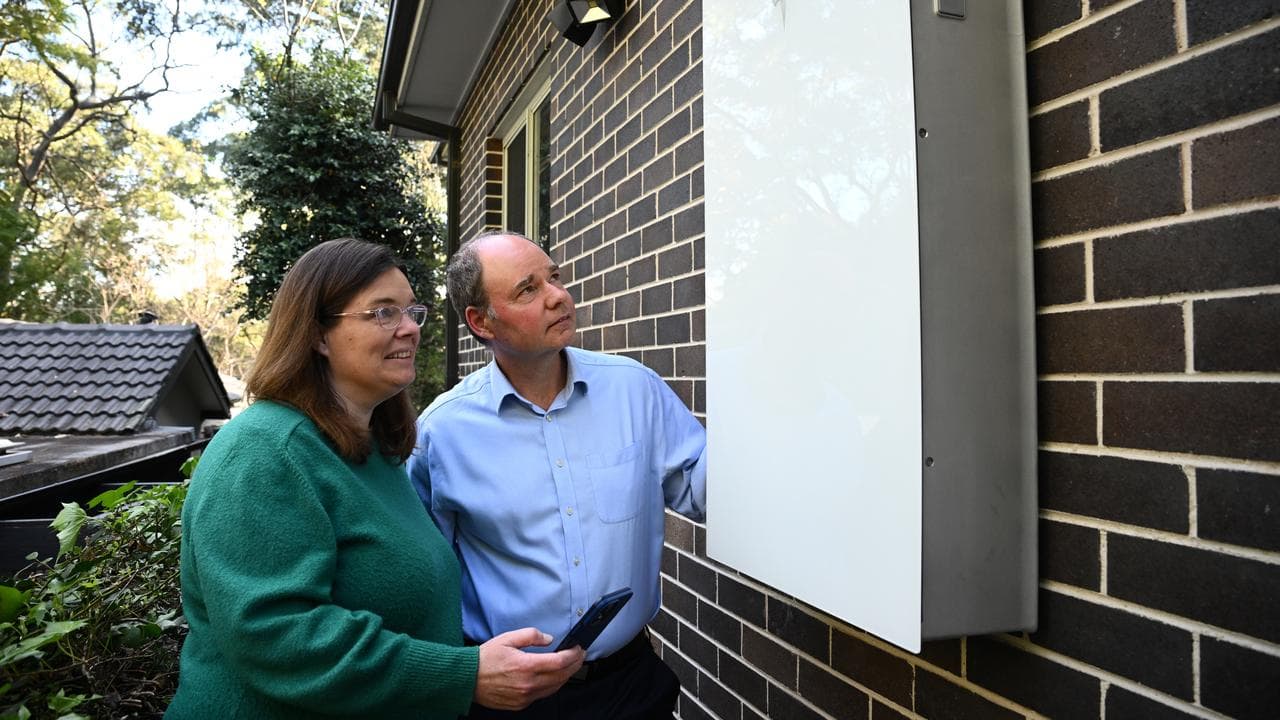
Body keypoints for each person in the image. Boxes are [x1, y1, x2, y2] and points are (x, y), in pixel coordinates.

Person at [166, 238, 584, 720]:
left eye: (411, 311)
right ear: (318, 335)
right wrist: (462, 675)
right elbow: (274, 636)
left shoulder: (375, 454)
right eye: (383, 313)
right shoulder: (263, 450)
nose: (409, 329)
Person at [409, 231, 707, 719]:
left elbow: (700, 487)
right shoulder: (442, 434)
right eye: (528, 290)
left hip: (630, 686)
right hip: (512, 702)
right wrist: (456, 674)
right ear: (481, 322)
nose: (558, 296)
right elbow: (425, 576)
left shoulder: (635, 391)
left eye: (555, 277)